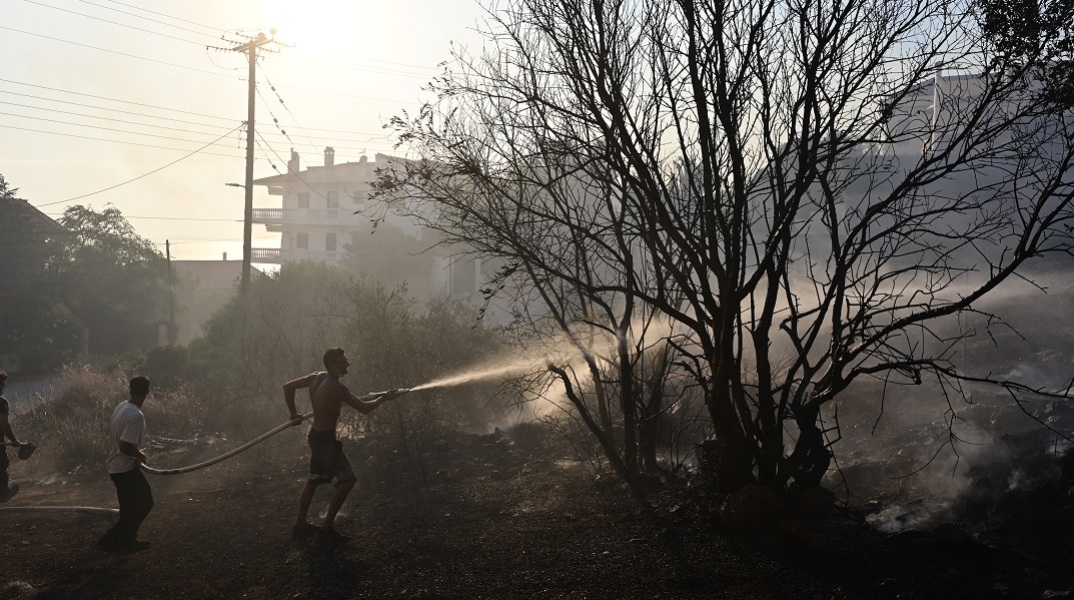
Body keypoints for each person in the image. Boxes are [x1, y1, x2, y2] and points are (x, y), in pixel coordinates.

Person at [284, 347, 398, 545]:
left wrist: (293, 413)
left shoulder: (315, 378)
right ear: (332, 364)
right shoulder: (338, 389)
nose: (347, 364)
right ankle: (326, 530)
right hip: (325, 441)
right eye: (342, 362)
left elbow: (288, 387)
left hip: (315, 437)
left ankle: (301, 525)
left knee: (313, 480)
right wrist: (384, 398)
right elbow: (364, 409)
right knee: (347, 481)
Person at [96, 376, 154, 555]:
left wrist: (134, 454)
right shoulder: (136, 415)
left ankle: (125, 541)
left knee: (128, 508)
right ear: (147, 392)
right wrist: (140, 455)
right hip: (124, 469)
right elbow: (125, 445)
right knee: (145, 503)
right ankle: (111, 539)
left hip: (116, 466)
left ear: (130, 390)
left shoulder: (122, 406)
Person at [0, 370, 28, 502]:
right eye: (2, 384)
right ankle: (3, 494)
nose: (4, 387)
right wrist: (14, 440)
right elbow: (4, 424)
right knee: (1, 465)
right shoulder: (1, 403)